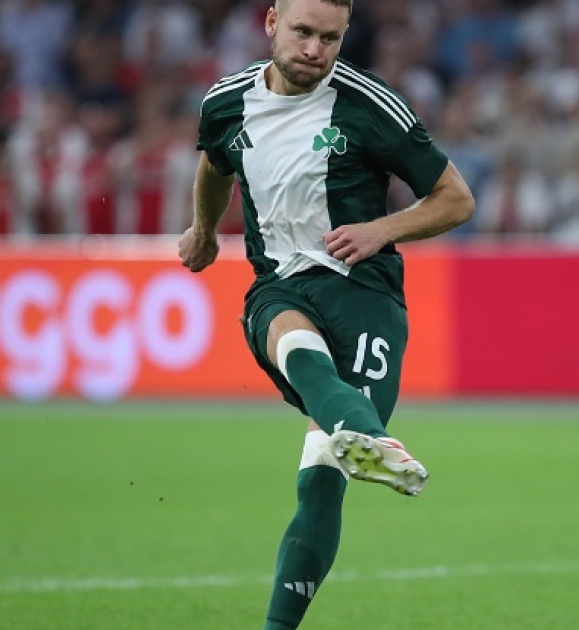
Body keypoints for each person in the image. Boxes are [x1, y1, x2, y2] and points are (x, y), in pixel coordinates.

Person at [176, 1, 475, 629]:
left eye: (330, 38)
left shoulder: (369, 105)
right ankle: (369, 435)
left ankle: (355, 437)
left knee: (320, 478)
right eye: (303, 33)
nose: (314, 50)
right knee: (288, 335)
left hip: (364, 294)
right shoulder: (226, 102)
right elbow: (215, 164)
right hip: (280, 282)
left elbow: (456, 199)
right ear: (271, 23)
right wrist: (203, 230)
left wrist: (380, 229)